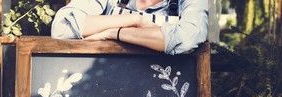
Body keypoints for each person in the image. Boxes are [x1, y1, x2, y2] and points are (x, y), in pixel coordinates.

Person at [51, 0, 208, 55]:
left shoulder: (190, 2)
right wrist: (133, 19)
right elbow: (62, 28)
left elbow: (187, 39)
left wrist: (114, 33)